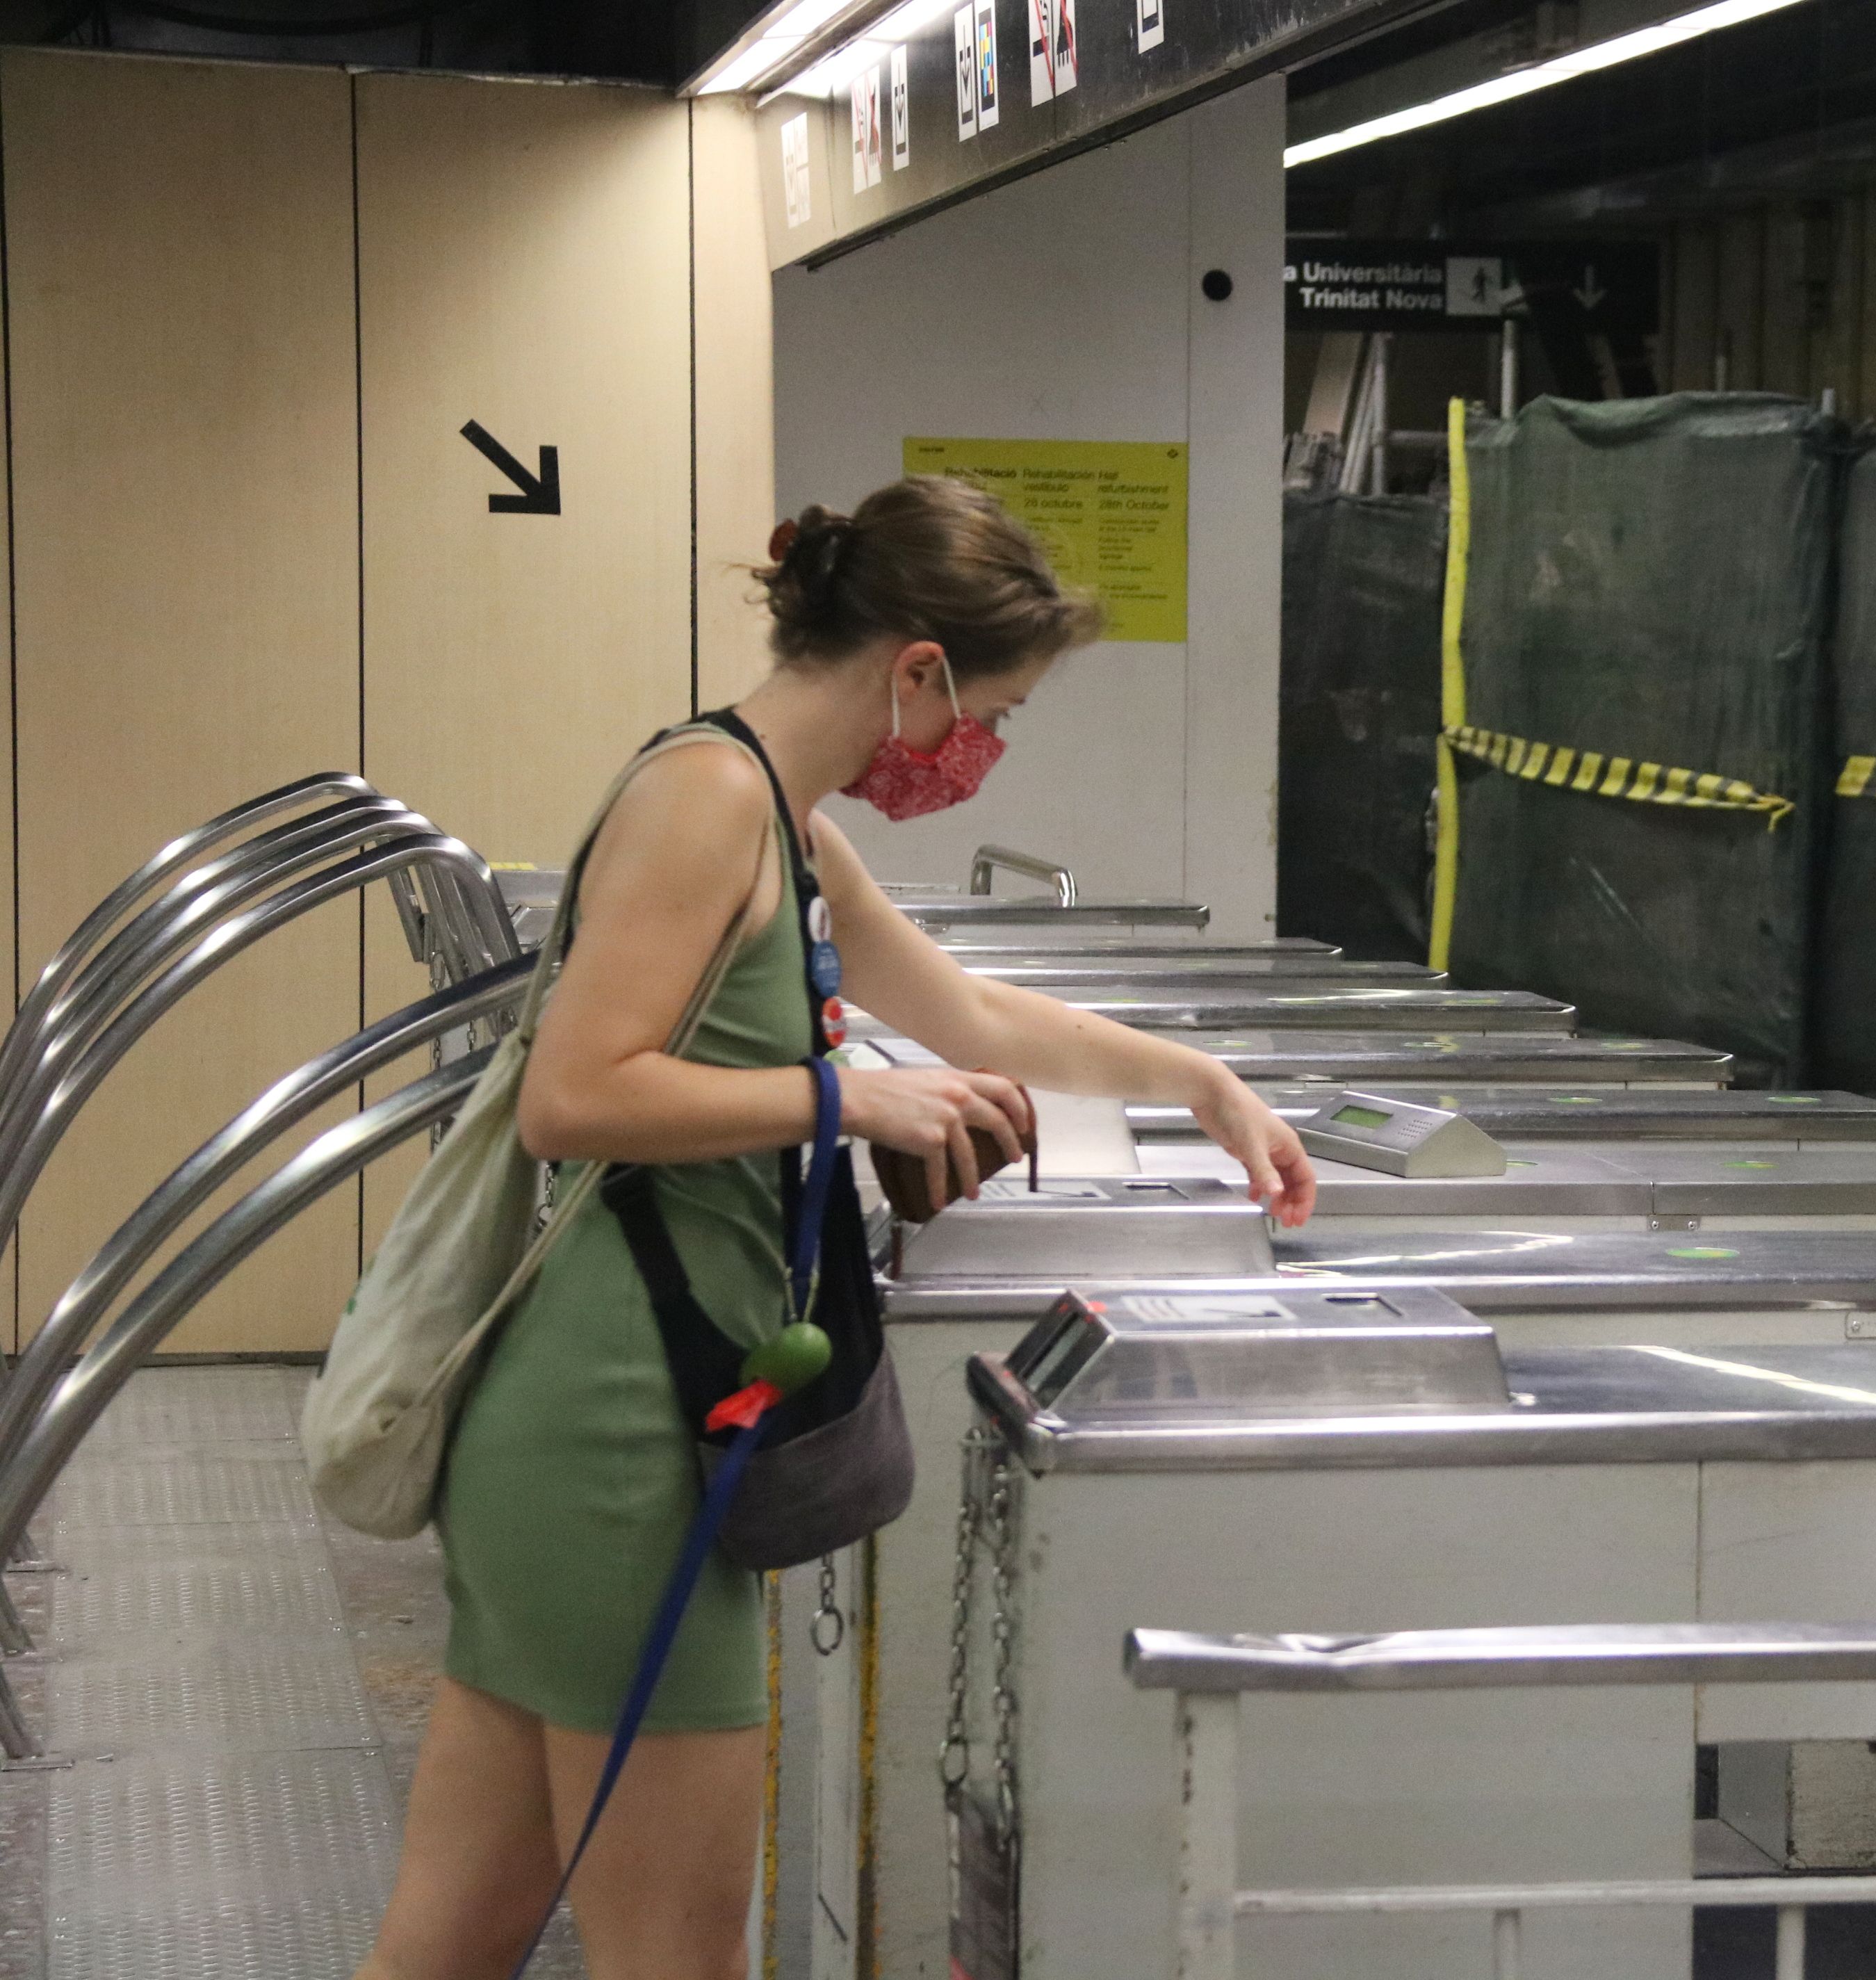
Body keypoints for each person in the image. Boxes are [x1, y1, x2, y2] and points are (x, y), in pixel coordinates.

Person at [354, 476, 1316, 1980]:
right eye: (988, 709)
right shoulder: (710, 801)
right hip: (623, 1433)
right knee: (677, 1951)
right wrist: (849, 1104)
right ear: (915, 666)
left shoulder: (782, 822)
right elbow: (573, 1095)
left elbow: (973, 1010)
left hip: (597, 1420)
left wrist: (1201, 1084)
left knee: (455, 1935)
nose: (978, 751)